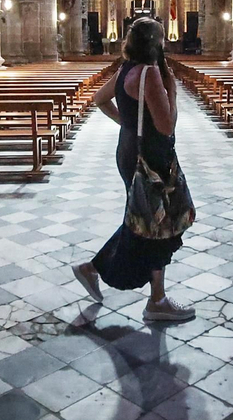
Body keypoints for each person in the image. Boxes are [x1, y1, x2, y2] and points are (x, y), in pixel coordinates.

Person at [73, 17, 194, 322]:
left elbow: (99, 99)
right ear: (157, 43)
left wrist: (127, 125)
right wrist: (173, 92)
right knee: (157, 222)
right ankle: (154, 300)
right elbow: (166, 127)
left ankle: (142, 291)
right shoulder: (149, 74)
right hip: (150, 157)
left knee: (146, 220)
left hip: (128, 151)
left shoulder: (126, 69)